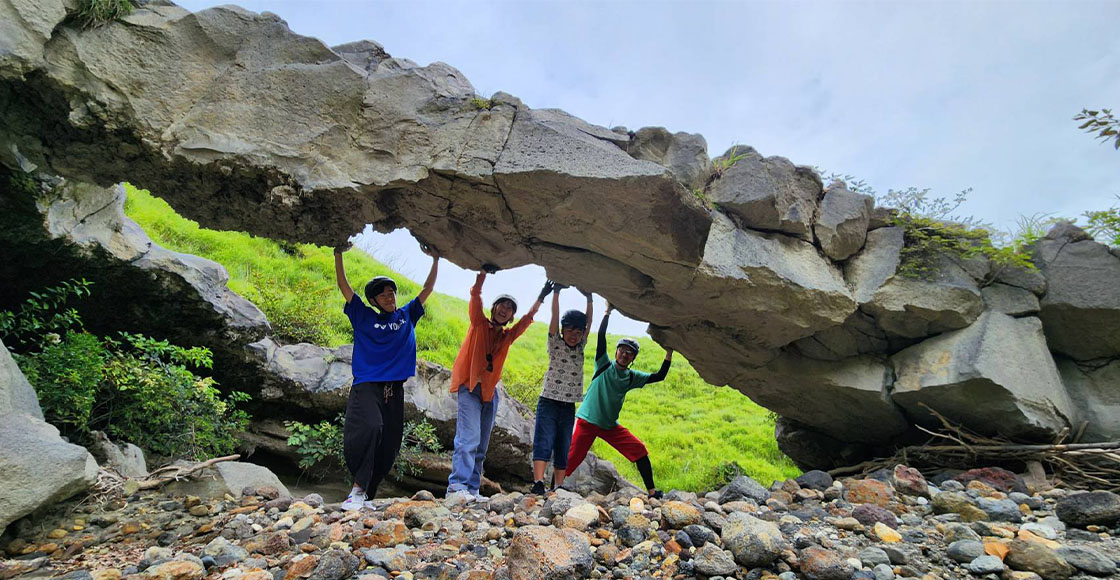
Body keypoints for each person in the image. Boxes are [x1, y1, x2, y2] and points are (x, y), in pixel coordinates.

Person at [334, 241, 439, 510]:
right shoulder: (364, 317)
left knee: (391, 441)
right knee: (371, 427)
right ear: (374, 301)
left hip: (395, 388)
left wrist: (435, 260)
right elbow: (345, 288)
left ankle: (367, 494)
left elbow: (427, 290)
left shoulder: (406, 316)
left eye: (391, 293)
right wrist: (338, 254)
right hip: (368, 384)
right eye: (383, 295)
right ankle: (356, 490)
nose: (389, 297)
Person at [447, 266, 552, 502]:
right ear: (493, 307)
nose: (505, 309)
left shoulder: (507, 337)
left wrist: (541, 299)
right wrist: (482, 274)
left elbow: (527, 321)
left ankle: (472, 490)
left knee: (481, 444)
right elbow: (475, 296)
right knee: (468, 439)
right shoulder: (478, 324)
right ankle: (456, 487)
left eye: (510, 308)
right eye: (502, 305)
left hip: (489, 394)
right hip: (470, 388)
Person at [565, 301, 673, 499]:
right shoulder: (604, 365)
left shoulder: (632, 377)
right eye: (622, 350)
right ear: (616, 352)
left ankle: (652, 491)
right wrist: (607, 312)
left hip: (609, 426)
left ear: (633, 358)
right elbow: (601, 337)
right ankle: (552, 489)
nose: (624, 354)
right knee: (572, 458)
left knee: (639, 450)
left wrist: (669, 352)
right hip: (587, 422)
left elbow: (659, 376)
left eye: (629, 352)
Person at [529, 284, 593, 495]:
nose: (573, 335)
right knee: (544, 439)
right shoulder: (555, 343)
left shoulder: (581, 346)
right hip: (548, 400)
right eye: (569, 330)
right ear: (562, 330)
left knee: (563, 443)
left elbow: (589, 322)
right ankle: (538, 482)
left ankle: (558, 486)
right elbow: (554, 317)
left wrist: (589, 299)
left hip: (568, 405)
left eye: (578, 331)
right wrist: (556, 293)